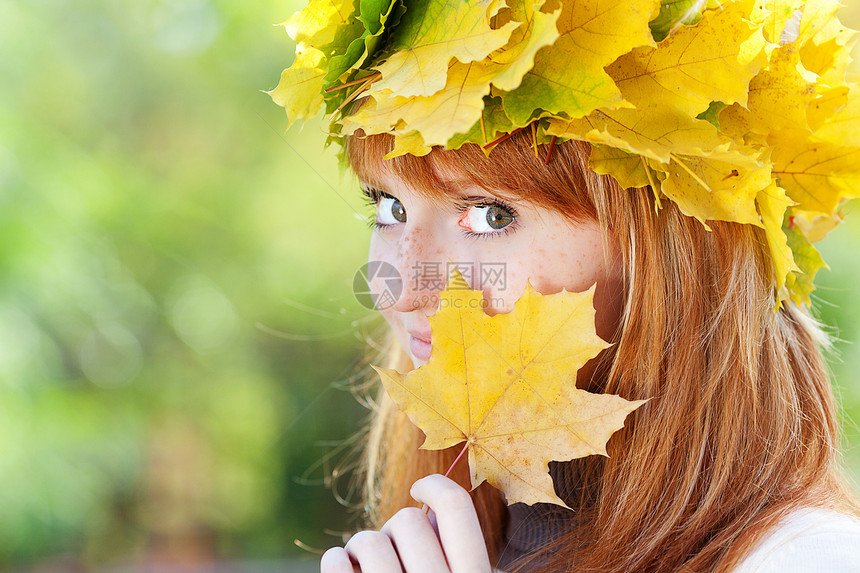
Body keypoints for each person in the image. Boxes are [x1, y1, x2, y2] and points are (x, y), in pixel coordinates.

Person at [270, 1, 860, 571]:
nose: (399, 290)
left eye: (490, 216)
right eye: (391, 207)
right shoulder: (459, 546)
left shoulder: (806, 559)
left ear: (668, 255)